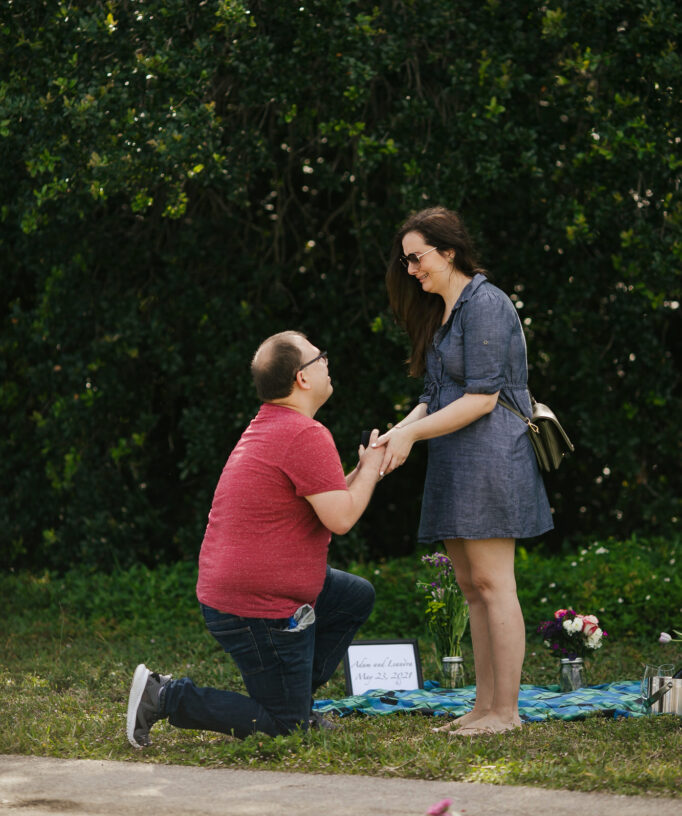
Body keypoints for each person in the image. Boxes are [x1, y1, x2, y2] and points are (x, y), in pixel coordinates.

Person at [126, 330, 385, 746]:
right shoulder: (304, 434)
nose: (326, 363)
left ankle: (294, 702)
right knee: (284, 729)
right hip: (258, 608)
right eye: (320, 358)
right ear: (302, 377)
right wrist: (371, 468)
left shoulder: (276, 426)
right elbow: (341, 518)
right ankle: (165, 695)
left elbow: (330, 500)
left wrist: (370, 468)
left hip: (244, 592)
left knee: (354, 597)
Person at [375, 206, 553, 735]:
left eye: (417, 258)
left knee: (495, 585)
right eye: (406, 261)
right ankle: (483, 707)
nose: (411, 270)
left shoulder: (487, 304)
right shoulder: (444, 312)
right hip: (455, 459)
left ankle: (507, 713)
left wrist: (410, 435)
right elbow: (434, 396)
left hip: (493, 456)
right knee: (471, 587)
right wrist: (395, 433)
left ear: (447, 251)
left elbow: (481, 399)